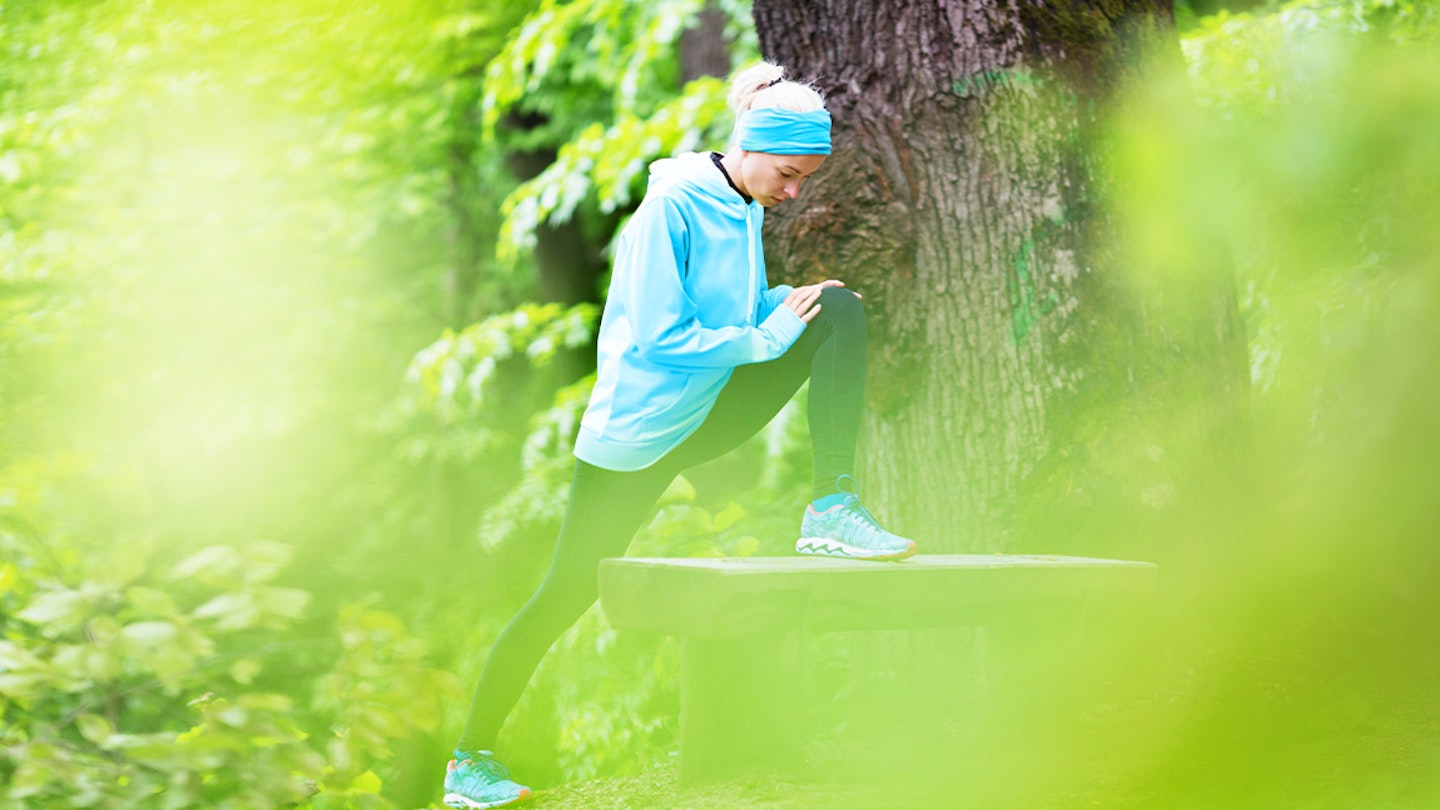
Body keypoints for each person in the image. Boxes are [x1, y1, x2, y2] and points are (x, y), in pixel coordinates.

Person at [440, 60, 916, 810]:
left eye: (804, 180)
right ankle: (469, 765)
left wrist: (780, 304)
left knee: (840, 311)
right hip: (640, 434)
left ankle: (831, 504)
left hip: (707, 406)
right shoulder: (674, 204)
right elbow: (662, 335)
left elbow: (734, 306)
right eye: (788, 175)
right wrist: (764, 338)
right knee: (565, 591)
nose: (793, 193)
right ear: (751, 146)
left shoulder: (745, 200)